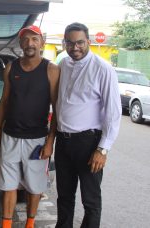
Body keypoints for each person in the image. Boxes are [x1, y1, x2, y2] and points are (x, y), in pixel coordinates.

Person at [0, 25, 60, 228]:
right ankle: (6, 225)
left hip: (37, 139)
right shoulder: (11, 68)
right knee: (8, 184)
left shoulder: (51, 69)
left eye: (34, 39)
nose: (30, 43)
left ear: (42, 42)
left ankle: (30, 224)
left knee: (34, 186)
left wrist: (50, 142)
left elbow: (56, 109)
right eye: (25, 39)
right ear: (20, 43)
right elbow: (4, 102)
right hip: (10, 136)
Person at [55, 22, 121, 228]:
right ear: (64, 43)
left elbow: (114, 112)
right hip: (63, 142)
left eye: (80, 43)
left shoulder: (103, 69)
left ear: (89, 42)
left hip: (89, 143)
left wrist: (103, 149)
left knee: (90, 200)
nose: (75, 47)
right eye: (70, 43)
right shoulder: (62, 65)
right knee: (64, 197)